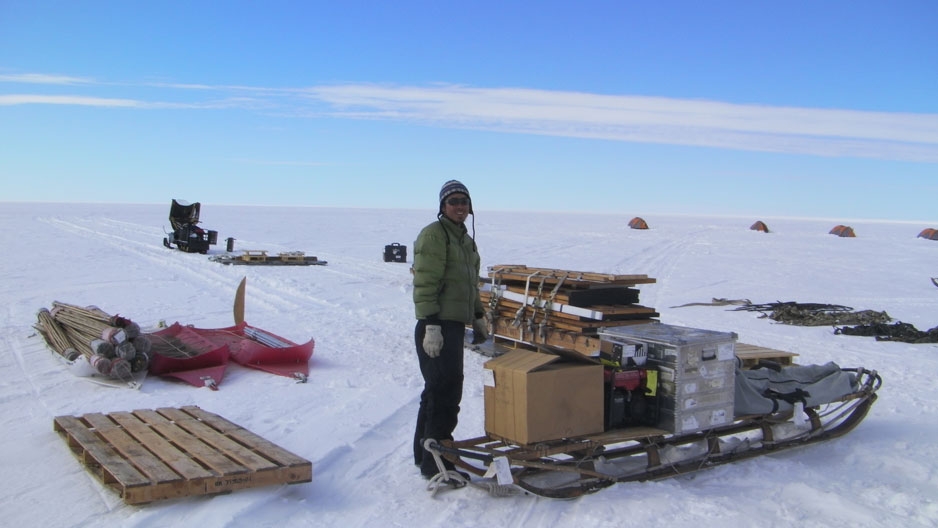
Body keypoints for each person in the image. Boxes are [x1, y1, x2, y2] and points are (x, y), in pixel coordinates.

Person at [412, 179, 488, 479]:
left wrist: (479, 314)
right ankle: (437, 464)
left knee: (438, 390)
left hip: (453, 324)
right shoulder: (434, 235)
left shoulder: (465, 240)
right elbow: (425, 282)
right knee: (444, 392)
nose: (460, 207)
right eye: (453, 201)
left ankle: (425, 455)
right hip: (437, 326)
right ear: (443, 206)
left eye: (464, 202)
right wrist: (431, 324)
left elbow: (470, 283)